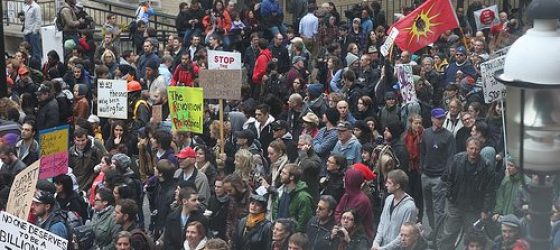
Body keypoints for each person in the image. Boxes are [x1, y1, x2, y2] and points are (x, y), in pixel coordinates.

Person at [437, 137, 496, 250]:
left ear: (480, 150)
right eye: (471, 148)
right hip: (455, 204)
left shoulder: (486, 166)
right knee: (449, 233)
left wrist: (485, 209)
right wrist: (449, 194)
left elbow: (489, 191)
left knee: (473, 236)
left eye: (477, 149)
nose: (473, 151)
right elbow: (448, 177)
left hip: (473, 207)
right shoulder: (457, 160)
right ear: (466, 148)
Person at [421, 107, 455, 232]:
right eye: (438, 118)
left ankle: (439, 235)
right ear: (432, 119)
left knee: (439, 209)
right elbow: (423, 152)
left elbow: (451, 158)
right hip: (426, 175)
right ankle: (433, 230)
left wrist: (444, 177)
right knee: (428, 207)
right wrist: (422, 168)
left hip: (439, 177)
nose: (440, 120)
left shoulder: (448, 136)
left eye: (442, 118)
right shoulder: (426, 133)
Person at [371, 169, 417, 250]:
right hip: (382, 246)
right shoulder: (389, 199)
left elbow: (403, 235)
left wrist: (383, 249)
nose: (386, 185)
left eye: (389, 183)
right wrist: (376, 243)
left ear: (397, 186)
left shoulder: (409, 207)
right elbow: (382, 222)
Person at [269, 164, 314, 232]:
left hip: (290, 235)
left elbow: (303, 223)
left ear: (292, 177)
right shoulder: (281, 190)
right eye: (281, 172)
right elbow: (276, 210)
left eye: (284, 173)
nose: (280, 174)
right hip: (278, 231)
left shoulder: (303, 197)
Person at [335, 167, 375, 239]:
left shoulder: (362, 200)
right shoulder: (346, 195)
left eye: (345, 177)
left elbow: (354, 221)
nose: (343, 180)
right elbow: (337, 212)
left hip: (359, 238)